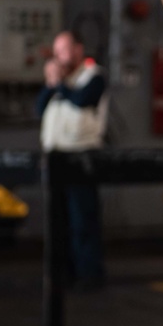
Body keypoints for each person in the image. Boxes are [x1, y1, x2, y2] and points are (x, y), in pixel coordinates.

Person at [36, 30, 109, 292]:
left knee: (83, 220)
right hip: (55, 157)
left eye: (64, 50)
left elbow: (83, 100)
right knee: (60, 220)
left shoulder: (93, 77)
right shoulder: (60, 83)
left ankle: (89, 274)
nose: (59, 57)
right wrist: (51, 85)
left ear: (79, 50)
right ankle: (64, 274)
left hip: (81, 158)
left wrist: (59, 84)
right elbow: (39, 108)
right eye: (56, 52)